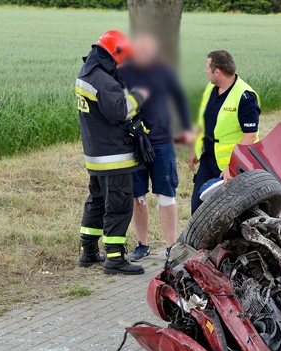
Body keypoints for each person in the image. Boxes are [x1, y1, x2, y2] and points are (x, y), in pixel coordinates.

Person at [75, 30, 150, 275]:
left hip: (96, 155)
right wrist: (140, 95)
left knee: (96, 202)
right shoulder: (104, 80)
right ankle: (115, 259)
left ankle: (88, 252)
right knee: (118, 206)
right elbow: (119, 111)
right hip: (114, 156)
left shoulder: (87, 73)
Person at [119, 34, 193, 262]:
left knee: (166, 193)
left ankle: (171, 246)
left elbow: (179, 99)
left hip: (162, 142)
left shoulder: (164, 71)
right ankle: (142, 244)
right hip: (134, 143)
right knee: (136, 196)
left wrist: (186, 128)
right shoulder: (122, 72)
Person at [188, 50, 260, 214]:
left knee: (227, 214)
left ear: (217, 71)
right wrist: (195, 147)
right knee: (198, 210)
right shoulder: (211, 88)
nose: (206, 71)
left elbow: (250, 135)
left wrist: (233, 165)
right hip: (208, 160)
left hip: (230, 168)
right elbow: (202, 120)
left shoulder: (245, 96)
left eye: (208, 67)